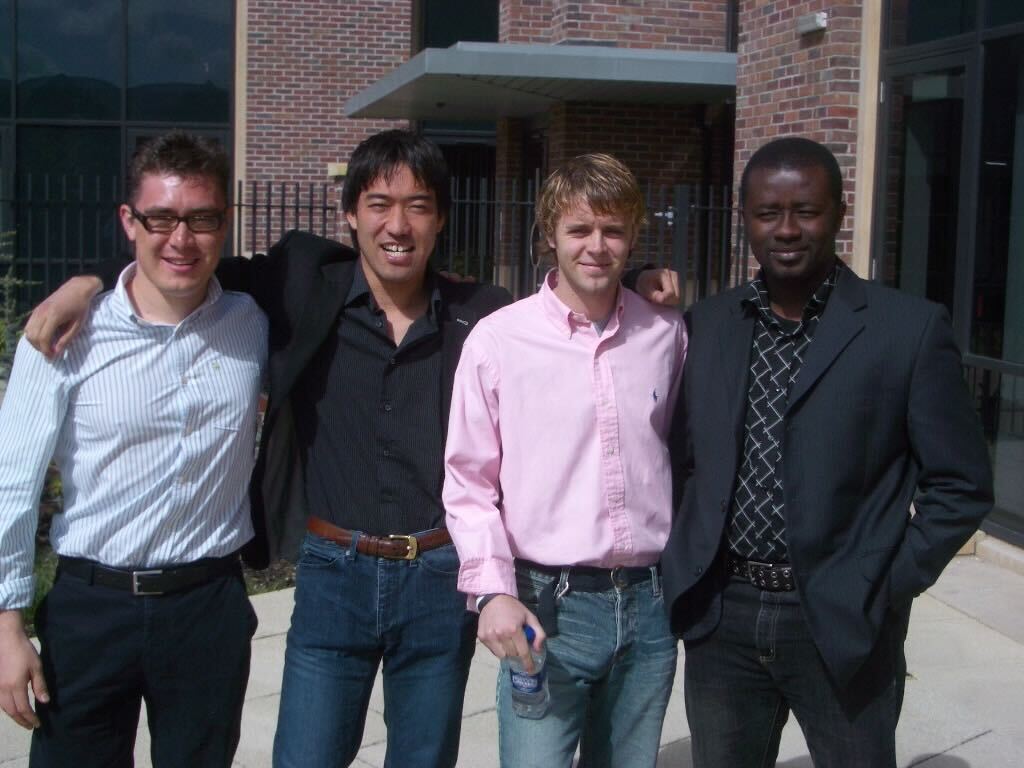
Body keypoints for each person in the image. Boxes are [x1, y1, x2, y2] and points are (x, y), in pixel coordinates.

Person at [22, 131, 679, 767]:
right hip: (333, 575)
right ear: (350, 215)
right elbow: (186, 257)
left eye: (418, 207)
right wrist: (91, 280)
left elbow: (573, 290)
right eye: (379, 205)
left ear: (441, 219)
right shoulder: (305, 286)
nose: (398, 226)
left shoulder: (479, 314)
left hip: (436, 576)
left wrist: (637, 276)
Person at [661, 136, 993, 767]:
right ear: (745, 218)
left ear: (838, 213)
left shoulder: (908, 329)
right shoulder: (707, 325)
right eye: (768, 213)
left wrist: (886, 583)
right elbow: (683, 461)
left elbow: (962, 485)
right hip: (724, 618)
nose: (787, 229)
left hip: (843, 619)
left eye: (805, 211)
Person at [0, 131, 267, 766]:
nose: (181, 239)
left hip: (208, 608)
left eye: (201, 219)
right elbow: (12, 479)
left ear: (225, 223)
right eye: (161, 218)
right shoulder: (65, 333)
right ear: (129, 221)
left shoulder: (253, 323)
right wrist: (7, 625)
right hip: (90, 610)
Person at [444, 153, 687, 767]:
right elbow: (468, 482)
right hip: (546, 604)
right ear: (550, 234)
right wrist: (491, 592)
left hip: (649, 606)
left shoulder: (666, 334)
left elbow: (683, 450)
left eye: (613, 230)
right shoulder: (499, 340)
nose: (596, 246)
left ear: (634, 235)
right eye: (579, 229)